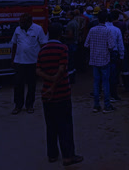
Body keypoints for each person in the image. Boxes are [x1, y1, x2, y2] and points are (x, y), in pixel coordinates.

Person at [36, 22, 83, 166]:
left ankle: (52, 155)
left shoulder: (42, 50)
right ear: (60, 34)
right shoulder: (63, 48)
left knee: (51, 126)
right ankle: (68, 156)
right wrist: (54, 84)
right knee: (66, 126)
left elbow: (37, 70)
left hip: (47, 95)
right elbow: (62, 69)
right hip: (62, 93)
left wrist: (49, 83)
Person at [11, 13, 47, 114]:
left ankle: (29, 105)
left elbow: (43, 45)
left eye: (22, 22)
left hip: (32, 62)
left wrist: (42, 61)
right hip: (19, 62)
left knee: (31, 85)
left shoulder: (38, 29)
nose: (20, 24)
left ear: (29, 22)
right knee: (18, 85)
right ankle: (18, 106)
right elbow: (14, 45)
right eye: (20, 22)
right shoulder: (18, 29)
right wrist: (12, 59)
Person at [84, 10, 116, 113]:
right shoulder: (107, 31)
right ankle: (106, 105)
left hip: (94, 60)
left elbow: (86, 44)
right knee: (106, 83)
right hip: (105, 60)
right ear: (106, 19)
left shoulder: (92, 30)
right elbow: (111, 46)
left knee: (96, 83)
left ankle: (96, 105)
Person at [106, 11, 125, 102]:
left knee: (104, 74)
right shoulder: (116, 30)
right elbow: (120, 44)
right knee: (113, 75)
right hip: (114, 53)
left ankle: (105, 93)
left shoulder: (101, 29)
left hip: (102, 53)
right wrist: (121, 56)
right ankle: (113, 95)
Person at [63, 11, 79, 84]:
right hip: (75, 43)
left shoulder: (70, 24)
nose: (66, 16)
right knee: (73, 62)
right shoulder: (75, 22)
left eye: (68, 15)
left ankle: (70, 79)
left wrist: (62, 36)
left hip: (70, 43)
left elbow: (70, 35)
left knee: (70, 62)